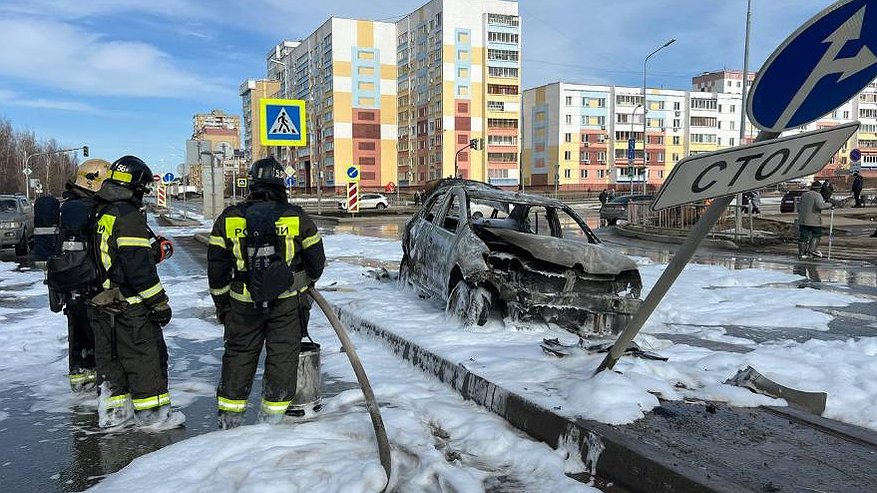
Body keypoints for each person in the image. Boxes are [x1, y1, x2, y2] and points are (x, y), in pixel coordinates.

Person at [208, 156, 325, 429]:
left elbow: (216, 268)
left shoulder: (229, 218)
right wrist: (304, 283)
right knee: (282, 357)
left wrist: (222, 302)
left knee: (238, 355)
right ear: (281, 184)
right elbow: (317, 261)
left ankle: (229, 419)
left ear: (251, 183)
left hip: (241, 303)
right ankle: (271, 420)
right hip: (285, 303)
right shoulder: (296, 217)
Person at [88, 155, 178, 428]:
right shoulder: (128, 217)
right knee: (146, 360)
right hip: (130, 306)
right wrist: (159, 303)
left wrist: (150, 252)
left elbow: (113, 256)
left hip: (101, 303)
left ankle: (115, 416)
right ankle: (155, 418)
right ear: (136, 186)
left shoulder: (100, 211)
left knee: (112, 362)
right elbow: (137, 270)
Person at [45, 159, 110, 392]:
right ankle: (108, 391)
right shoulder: (94, 209)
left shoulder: (67, 207)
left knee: (78, 338)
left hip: (70, 286)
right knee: (100, 340)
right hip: (92, 285)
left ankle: (81, 385)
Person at [797, 181, 833, 259]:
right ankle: (811, 250)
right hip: (814, 220)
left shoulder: (804, 195)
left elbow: (799, 207)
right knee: (816, 234)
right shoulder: (817, 195)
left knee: (803, 236)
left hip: (803, 220)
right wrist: (829, 205)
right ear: (819, 189)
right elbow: (820, 206)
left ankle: (801, 253)